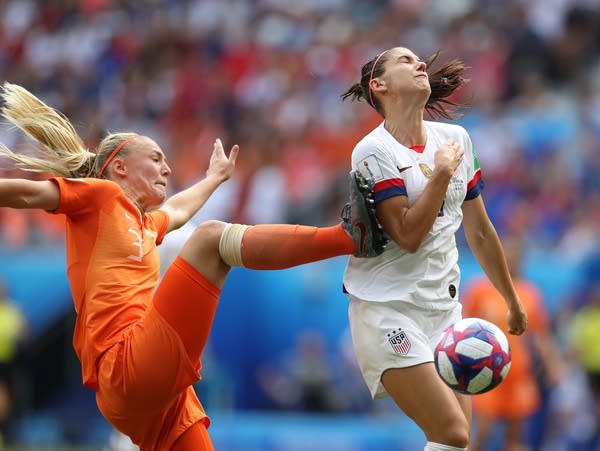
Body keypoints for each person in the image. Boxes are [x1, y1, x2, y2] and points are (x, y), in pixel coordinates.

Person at [0, 82, 387, 451]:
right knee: (211, 240)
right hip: (126, 364)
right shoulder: (100, 196)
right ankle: (350, 238)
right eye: (155, 158)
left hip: (149, 398)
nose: (166, 169)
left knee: (204, 237)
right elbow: (28, 192)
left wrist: (214, 178)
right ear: (118, 168)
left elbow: (179, 210)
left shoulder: (144, 224)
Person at [339, 47, 528, 451]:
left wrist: (510, 299)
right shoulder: (372, 150)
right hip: (388, 310)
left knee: (456, 444)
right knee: (452, 433)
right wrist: (441, 172)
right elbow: (407, 236)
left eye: (418, 59)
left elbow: (479, 231)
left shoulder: (457, 138)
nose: (420, 64)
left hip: (443, 313)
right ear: (380, 85)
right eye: (406, 61)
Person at [462, 234, 564, 451]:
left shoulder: (529, 293)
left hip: (518, 371)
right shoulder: (479, 290)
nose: (510, 261)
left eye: (515, 257)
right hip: (487, 370)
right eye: (506, 256)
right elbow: (463, 328)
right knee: (484, 430)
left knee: (515, 436)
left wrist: (553, 365)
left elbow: (541, 335)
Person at [0, 278, 27, 446]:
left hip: (8, 362)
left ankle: (7, 433)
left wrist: (17, 337)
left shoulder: (13, 310)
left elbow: (24, 333)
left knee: (7, 400)